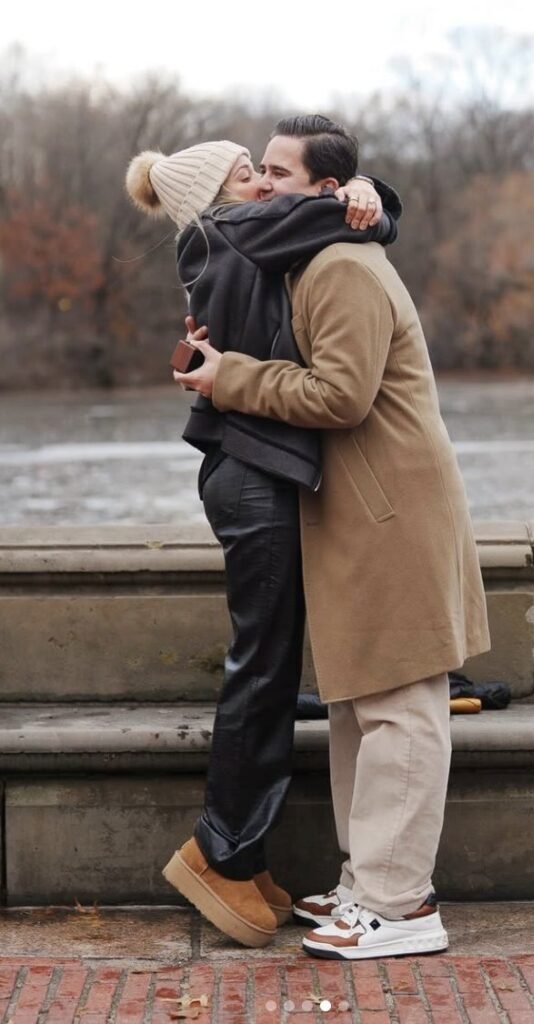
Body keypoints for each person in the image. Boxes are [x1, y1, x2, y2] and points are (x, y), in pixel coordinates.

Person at [174, 114, 491, 961]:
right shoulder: (310, 255)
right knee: (360, 703)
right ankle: (367, 882)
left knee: (402, 708)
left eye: (277, 172)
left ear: (325, 189)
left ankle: (402, 904)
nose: (261, 182)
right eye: (258, 168)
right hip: (360, 511)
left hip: (392, 510)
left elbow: (341, 398)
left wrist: (230, 379)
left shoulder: (343, 265)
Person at [125, 127, 401, 949]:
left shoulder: (236, 240)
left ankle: (239, 854)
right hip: (252, 472)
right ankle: (222, 853)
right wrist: (370, 196)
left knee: (270, 667)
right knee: (262, 669)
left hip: (249, 469)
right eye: (250, 173)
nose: (265, 184)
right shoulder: (234, 230)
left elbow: (340, 214)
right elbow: (344, 215)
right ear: (218, 196)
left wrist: (367, 195)